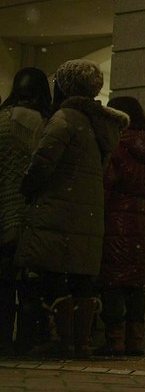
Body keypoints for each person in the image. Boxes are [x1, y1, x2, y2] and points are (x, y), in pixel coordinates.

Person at [15, 59, 129, 358]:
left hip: (60, 208)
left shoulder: (65, 118)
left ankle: (63, 339)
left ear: (65, 86)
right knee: (81, 278)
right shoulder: (99, 123)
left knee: (53, 274)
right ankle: (81, 342)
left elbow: (43, 161)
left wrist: (27, 186)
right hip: (88, 211)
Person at [94, 96, 145, 357]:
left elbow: (106, 186)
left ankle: (115, 340)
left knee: (113, 281)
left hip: (116, 222)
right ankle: (136, 340)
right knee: (136, 283)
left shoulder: (116, 147)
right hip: (143, 225)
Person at [0, 67, 52, 355]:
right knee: (31, 282)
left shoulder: (1, 120)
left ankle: (3, 339)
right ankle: (27, 340)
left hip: (3, 210)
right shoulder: (44, 123)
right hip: (31, 212)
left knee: (3, 282)